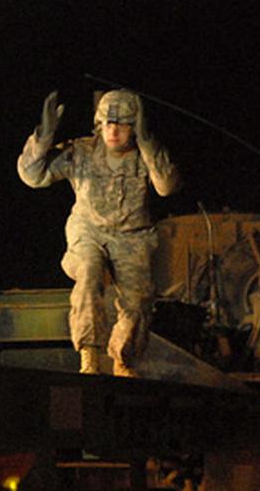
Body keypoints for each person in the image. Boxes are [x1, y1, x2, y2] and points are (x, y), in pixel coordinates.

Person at [16, 89, 181, 376]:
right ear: (98, 124)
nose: (113, 130)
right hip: (89, 231)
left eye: (122, 124)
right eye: (107, 123)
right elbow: (33, 176)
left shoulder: (145, 156)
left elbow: (167, 186)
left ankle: (123, 359)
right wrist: (43, 138)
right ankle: (89, 356)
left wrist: (147, 143)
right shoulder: (81, 151)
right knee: (89, 276)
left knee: (137, 302)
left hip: (132, 236)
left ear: (134, 127)